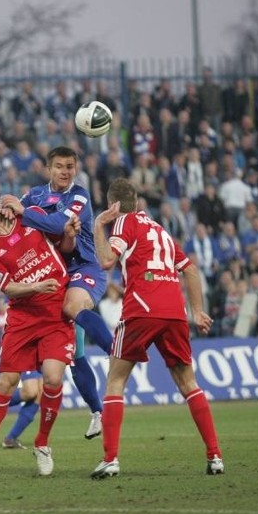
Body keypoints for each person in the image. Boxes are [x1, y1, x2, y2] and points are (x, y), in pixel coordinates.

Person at [91, 178, 223, 479]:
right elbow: (189, 268)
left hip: (141, 309)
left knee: (115, 381)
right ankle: (215, 455)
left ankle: (110, 459)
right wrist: (197, 311)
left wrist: (100, 225)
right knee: (188, 382)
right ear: (137, 201)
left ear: (114, 205)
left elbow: (106, 260)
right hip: (174, 313)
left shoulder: (123, 222)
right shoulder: (159, 230)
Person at [0, 186, 78, 482]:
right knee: (6, 382)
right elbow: (8, 287)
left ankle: (42, 445)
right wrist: (35, 287)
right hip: (23, 315)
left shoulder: (30, 217)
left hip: (55, 311)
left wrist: (71, 235)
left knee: (52, 378)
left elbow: (62, 246)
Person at [0, 145, 113, 440]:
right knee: (73, 353)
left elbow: (57, 223)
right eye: (60, 166)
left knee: (72, 306)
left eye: (70, 167)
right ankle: (97, 412)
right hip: (54, 274)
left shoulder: (79, 195)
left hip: (85, 267)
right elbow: (15, 221)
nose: (65, 172)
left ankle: (116, 349)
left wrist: (26, 212)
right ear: (48, 169)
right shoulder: (35, 195)